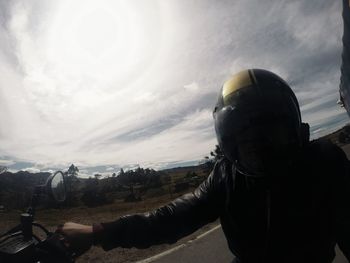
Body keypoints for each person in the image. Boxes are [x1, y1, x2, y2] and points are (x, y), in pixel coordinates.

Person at [57, 69, 350, 263]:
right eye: (245, 139)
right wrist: (98, 231)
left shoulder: (325, 162)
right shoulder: (226, 176)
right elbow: (168, 218)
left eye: (269, 132)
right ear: (229, 144)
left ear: (295, 129)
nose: (258, 148)